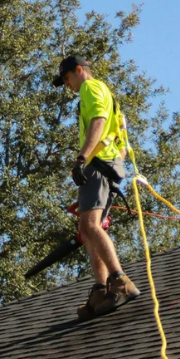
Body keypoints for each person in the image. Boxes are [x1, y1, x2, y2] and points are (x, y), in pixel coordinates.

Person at [52, 55, 140, 320]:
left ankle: (120, 280)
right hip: (107, 164)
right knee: (87, 227)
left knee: (89, 226)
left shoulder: (90, 88)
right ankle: (101, 289)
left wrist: (83, 158)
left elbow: (98, 121)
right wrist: (115, 167)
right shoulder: (106, 93)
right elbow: (121, 139)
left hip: (98, 164)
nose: (68, 85)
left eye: (67, 78)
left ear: (80, 71)